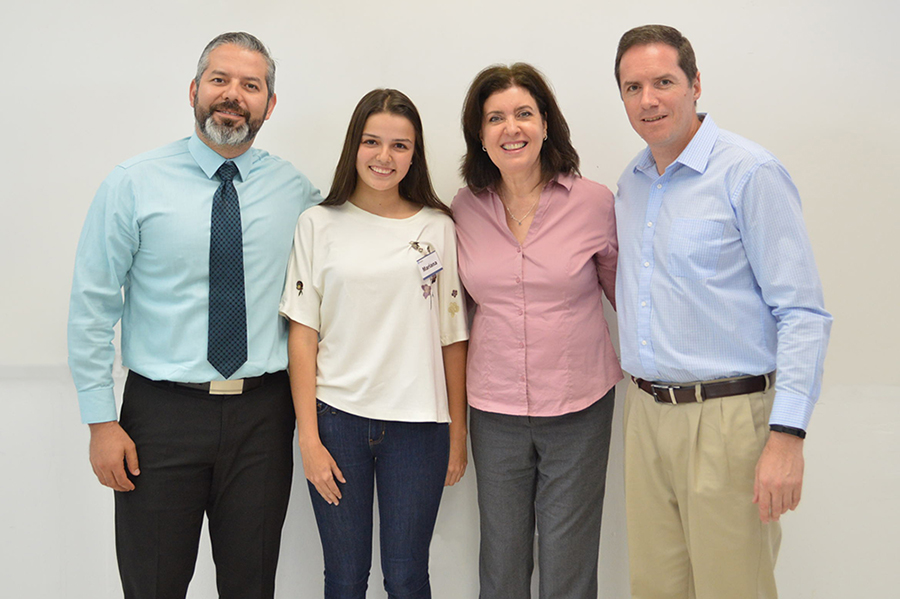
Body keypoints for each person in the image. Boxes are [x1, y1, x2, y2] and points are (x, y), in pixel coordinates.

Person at [67, 32, 322, 599]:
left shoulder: (295, 191)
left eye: (250, 86)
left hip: (263, 416)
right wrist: (100, 422)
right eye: (220, 80)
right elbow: (92, 307)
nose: (233, 95)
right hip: (159, 419)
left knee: (251, 584)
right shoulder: (132, 183)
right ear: (194, 90)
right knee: (153, 584)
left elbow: (347, 258)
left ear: (269, 105)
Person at [613, 24, 833, 599]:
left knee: (734, 588)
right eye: (633, 87)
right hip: (645, 415)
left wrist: (787, 436)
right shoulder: (631, 184)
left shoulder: (750, 173)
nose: (649, 99)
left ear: (695, 85)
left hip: (729, 421)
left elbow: (803, 312)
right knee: (655, 588)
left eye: (664, 81)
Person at [279, 88, 468, 599]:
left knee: (407, 577)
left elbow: (452, 336)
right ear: (353, 146)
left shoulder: (438, 227)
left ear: (415, 153)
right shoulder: (317, 224)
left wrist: (457, 432)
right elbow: (303, 334)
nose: (385, 157)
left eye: (400, 146)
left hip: (420, 431)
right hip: (336, 423)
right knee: (344, 579)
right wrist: (309, 438)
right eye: (372, 142)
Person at [452, 63, 621, 599]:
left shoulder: (594, 202)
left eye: (524, 113)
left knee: (568, 561)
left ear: (546, 123)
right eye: (495, 118)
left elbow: (627, 296)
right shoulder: (463, 209)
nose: (511, 128)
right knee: (501, 560)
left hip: (579, 405)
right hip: (494, 407)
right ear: (480, 136)